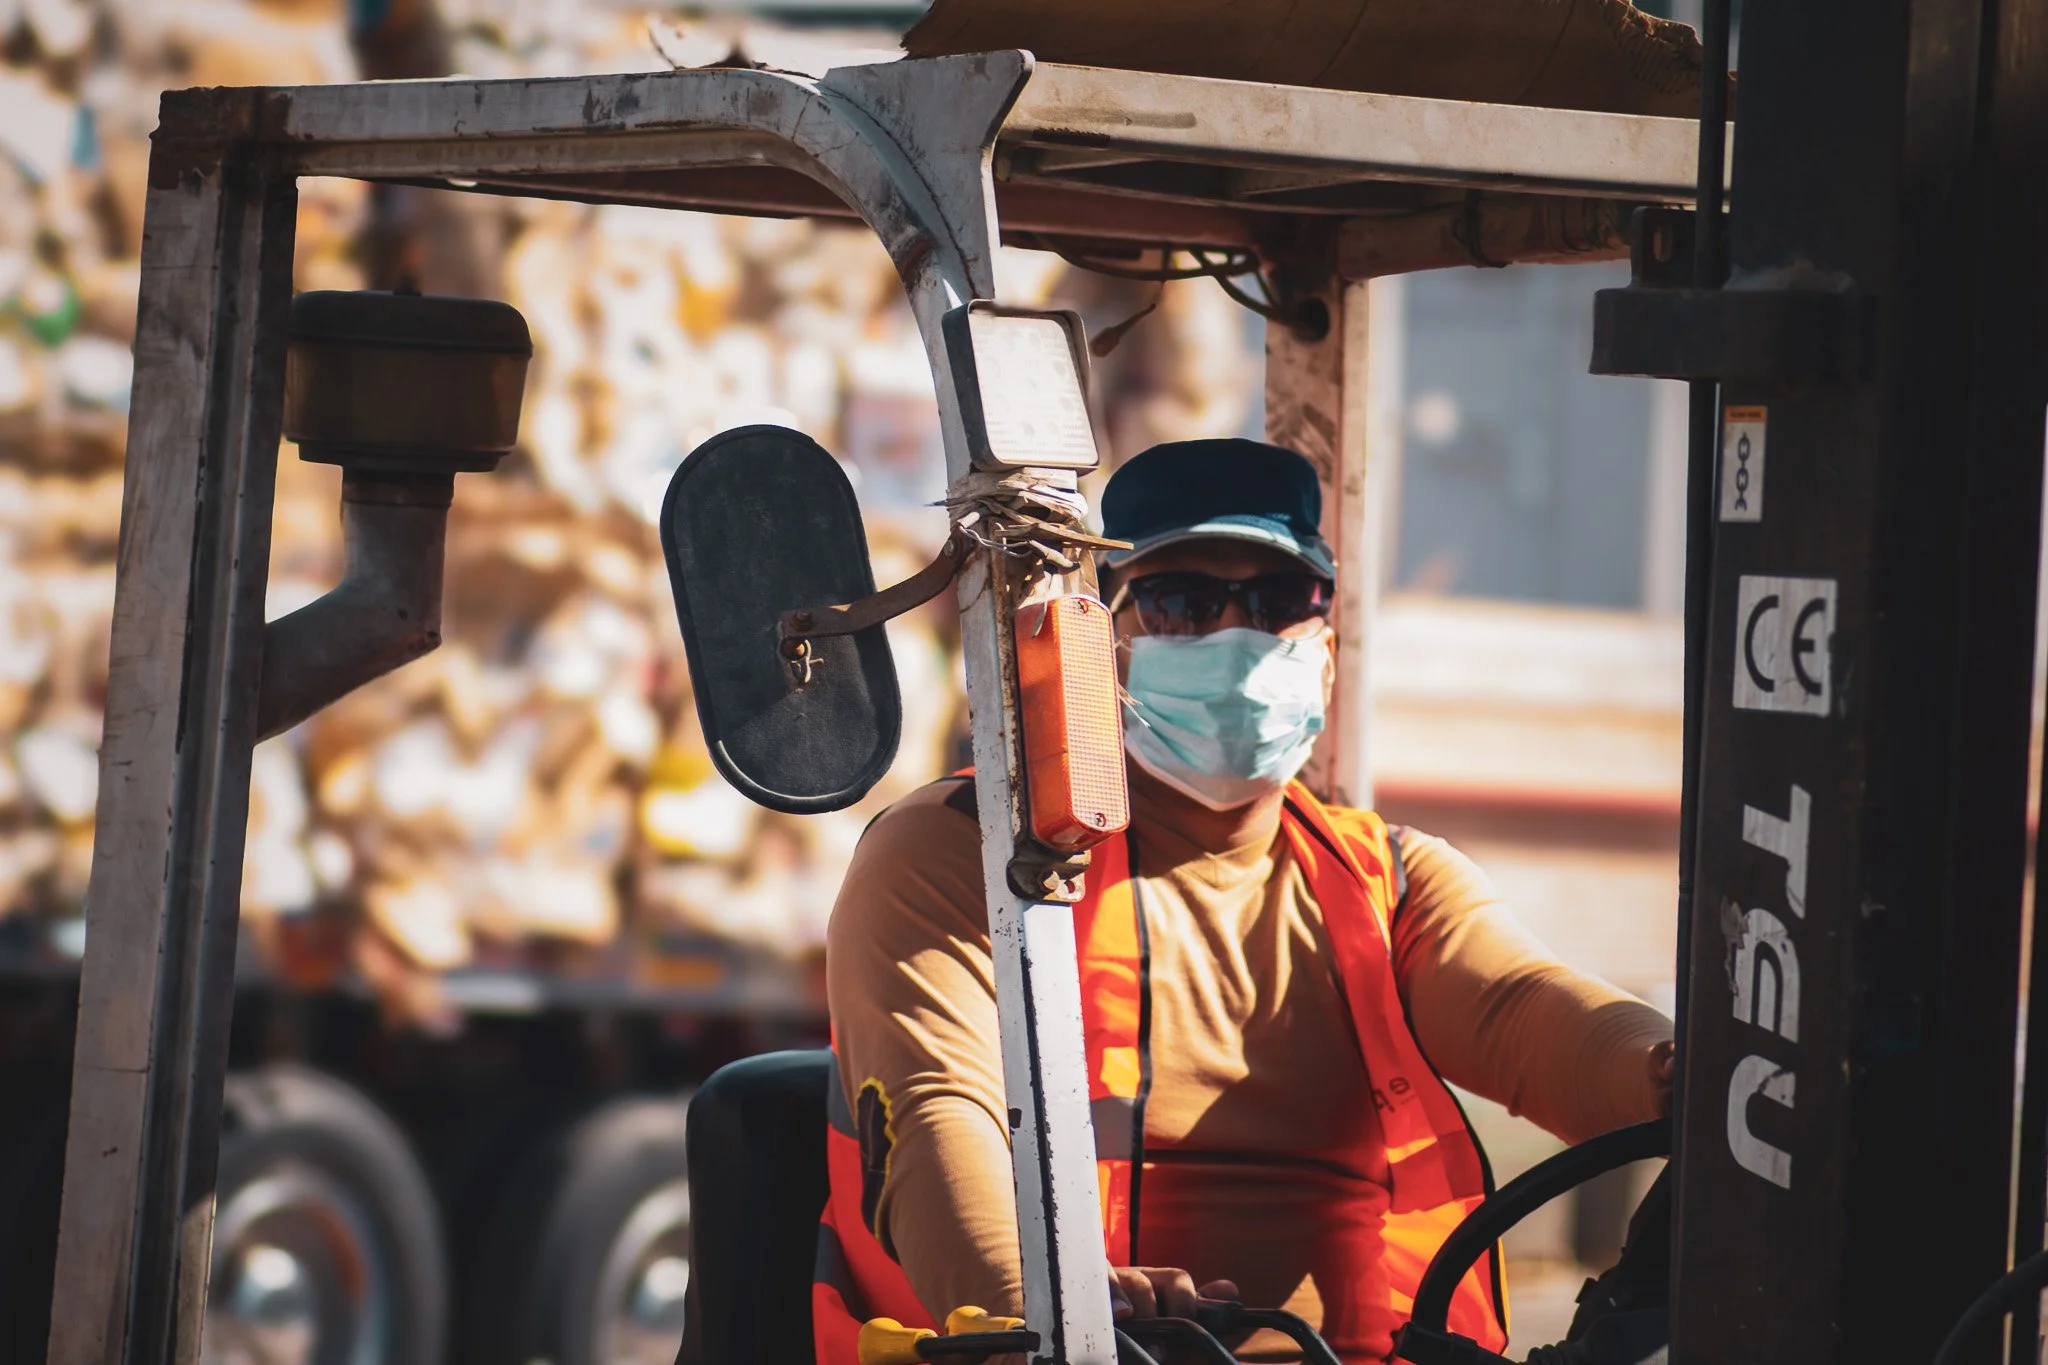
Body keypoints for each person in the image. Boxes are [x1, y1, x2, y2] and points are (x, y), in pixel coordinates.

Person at [814, 439, 1674, 1364]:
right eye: (1183, 602)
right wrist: (1041, 1308)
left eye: (1274, 604)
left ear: (1326, 657)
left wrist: (1702, 1081)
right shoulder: (974, 858)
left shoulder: (1390, 885)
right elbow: (937, 1109)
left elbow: (1529, 1010)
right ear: (1100, 646)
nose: (1234, 636)